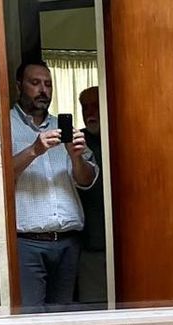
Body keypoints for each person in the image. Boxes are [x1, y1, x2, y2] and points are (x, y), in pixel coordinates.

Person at [9, 60, 98, 312]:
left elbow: (87, 180)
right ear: (19, 86)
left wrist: (76, 157)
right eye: (35, 83)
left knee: (62, 317)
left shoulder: (64, 127)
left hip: (68, 242)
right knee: (31, 316)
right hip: (26, 243)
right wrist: (34, 150)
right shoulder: (4, 126)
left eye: (48, 84)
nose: (43, 90)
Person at [75, 86, 107, 307]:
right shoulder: (78, 142)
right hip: (90, 244)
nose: (90, 112)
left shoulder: (126, 135)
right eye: (85, 107)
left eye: (95, 106)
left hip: (129, 244)